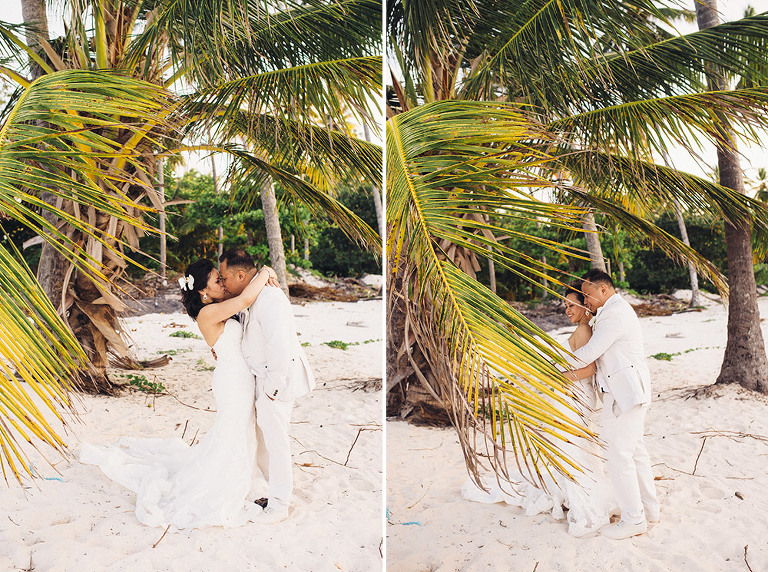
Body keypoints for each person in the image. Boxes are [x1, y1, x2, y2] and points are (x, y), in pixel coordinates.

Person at [80, 259, 278, 530]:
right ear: (202, 291)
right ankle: (226, 482)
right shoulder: (209, 314)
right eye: (216, 280)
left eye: (221, 278)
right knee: (233, 430)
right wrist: (266, 271)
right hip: (232, 382)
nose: (222, 282)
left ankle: (238, 478)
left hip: (240, 378)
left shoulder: (217, 308)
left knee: (239, 430)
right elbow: (244, 299)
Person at [461, 283, 617, 537]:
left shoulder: (585, 331)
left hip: (576, 397)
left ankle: (586, 498)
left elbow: (590, 369)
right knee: (569, 446)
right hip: (570, 396)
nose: (567, 309)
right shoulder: (580, 329)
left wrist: (556, 379)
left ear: (584, 306)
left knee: (571, 447)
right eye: (565, 305)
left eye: (572, 305)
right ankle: (573, 492)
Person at [218, 248, 315, 523]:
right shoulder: (252, 296)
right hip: (265, 379)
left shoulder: (270, 298)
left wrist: (271, 391)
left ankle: (280, 506)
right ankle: (275, 494)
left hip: (277, 382)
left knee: (276, 444)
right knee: (264, 445)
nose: (223, 283)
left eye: (225, 277)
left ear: (240, 275)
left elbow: (280, 346)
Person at [564, 269, 660, 540]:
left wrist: (550, 369)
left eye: (587, 294)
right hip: (622, 392)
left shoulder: (615, 313)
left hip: (625, 394)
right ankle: (650, 510)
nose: (586, 299)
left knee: (618, 457)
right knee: (636, 453)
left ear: (603, 290)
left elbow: (588, 354)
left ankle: (634, 519)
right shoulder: (608, 313)